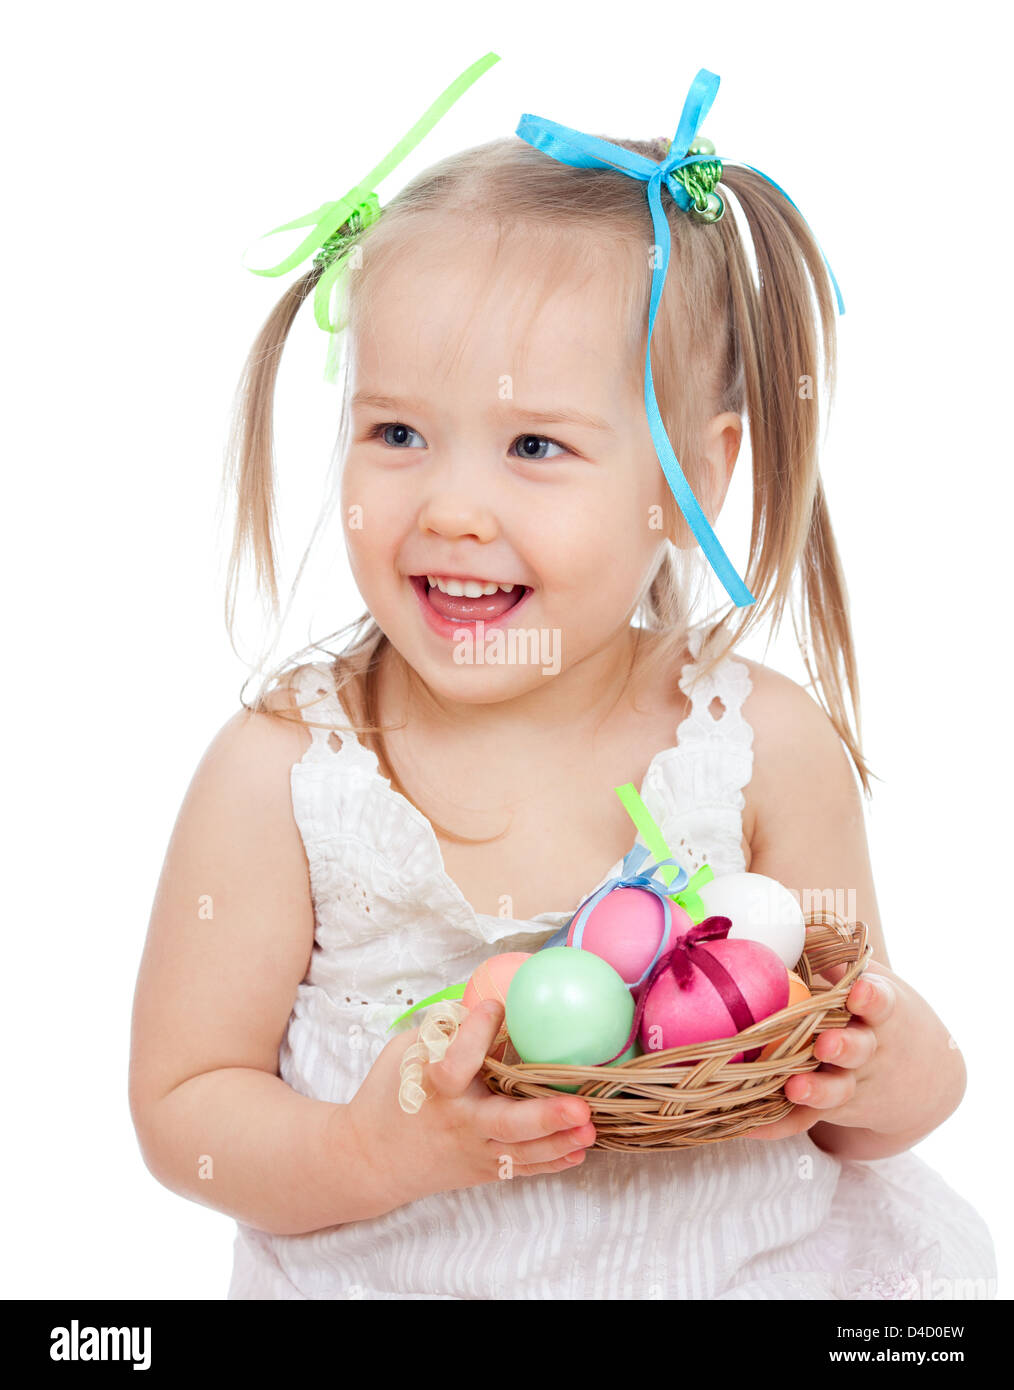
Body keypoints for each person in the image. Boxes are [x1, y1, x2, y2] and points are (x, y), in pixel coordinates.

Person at [128, 55, 998, 1299]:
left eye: (535, 444)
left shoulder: (759, 746)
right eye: (396, 434)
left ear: (688, 478)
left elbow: (853, 1077)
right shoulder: (284, 773)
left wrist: (905, 1072)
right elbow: (183, 1110)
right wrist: (371, 1150)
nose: (452, 508)